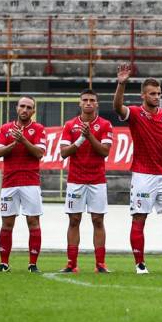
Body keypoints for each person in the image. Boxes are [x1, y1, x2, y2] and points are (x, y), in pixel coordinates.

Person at [113, 64, 162, 275]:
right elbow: (118, 107)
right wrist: (121, 84)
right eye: (152, 94)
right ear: (143, 95)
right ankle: (140, 264)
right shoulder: (135, 113)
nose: (156, 97)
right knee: (140, 217)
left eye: (159, 94)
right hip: (143, 174)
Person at [59, 89, 114, 273]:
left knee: (98, 220)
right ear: (79, 103)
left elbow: (104, 152)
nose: (88, 103)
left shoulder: (105, 125)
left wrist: (89, 135)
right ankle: (71, 264)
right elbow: (64, 152)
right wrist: (82, 138)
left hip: (97, 180)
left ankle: (100, 264)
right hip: (75, 179)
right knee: (74, 220)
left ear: (97, 104)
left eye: (92, 100)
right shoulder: (70, 125)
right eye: (85, 100)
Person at [0, 96, 47, 272]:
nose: (25, 110)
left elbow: (39, 153)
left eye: (29, 107)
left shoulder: (38, 129)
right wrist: (14, 143)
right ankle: (4, 263)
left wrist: (23, 140)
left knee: (33, 222)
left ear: (33, 111)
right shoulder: (6, 129)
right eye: (22, 106)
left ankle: (33, 264)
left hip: (30, 183)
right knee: (7, 224)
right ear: (16, 108)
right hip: (9, 182)